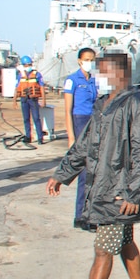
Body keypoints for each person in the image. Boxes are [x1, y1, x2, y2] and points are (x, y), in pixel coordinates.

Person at [45, 51, 140, 279]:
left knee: (103, 249)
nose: (97, 77)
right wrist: (62, 173)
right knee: (124, 240)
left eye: (102, 72)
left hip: (120, 194)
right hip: (104, 188)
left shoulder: (136, 104)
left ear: (119, 74)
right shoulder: (102, 104)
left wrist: (134, 194)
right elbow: (84, 146)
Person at [63, 47, 99, 228]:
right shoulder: (72, 80)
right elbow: (67, 110)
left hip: (94, 122)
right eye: (87, 59)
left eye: (92, 59)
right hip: (80, 122)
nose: (90, 62)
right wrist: (71, 137)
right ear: (79, 61)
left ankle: (89, 213)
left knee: (95, 171)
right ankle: (81, 216)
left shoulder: (95, 80)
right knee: (85, 171)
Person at [13, 55, 47, 144]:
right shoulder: (20, 75)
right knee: (26, 119)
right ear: (23, 65)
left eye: (29, 65)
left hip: (33, 99)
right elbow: (17, 88)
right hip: (24, 99)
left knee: (36, 118)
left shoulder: (37, 74)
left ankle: (40, 137)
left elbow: (42, 87)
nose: (28, 67)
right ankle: (28, 136)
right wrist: (14, 101)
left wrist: (43, 100)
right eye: (26, 65)